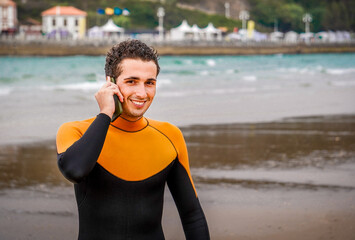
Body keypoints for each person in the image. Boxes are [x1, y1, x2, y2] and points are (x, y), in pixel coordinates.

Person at [56, 39, 210, 240]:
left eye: (150, 83)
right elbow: (74, 170)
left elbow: (192, 216)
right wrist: (105, 114)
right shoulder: (75, 131)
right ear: (110, 82)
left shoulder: (170, 135)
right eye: (131, 81)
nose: (142, 93)